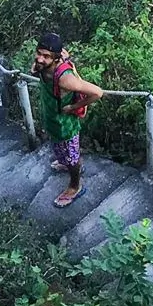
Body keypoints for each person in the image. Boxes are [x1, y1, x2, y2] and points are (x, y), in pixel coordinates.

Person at [33, 31, 104, 208]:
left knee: (73, 159)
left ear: (56, 59)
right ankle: (66, 162)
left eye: (46, 56)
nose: (40, 59)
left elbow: (98, 92)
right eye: (39, 53)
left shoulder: (65, 80)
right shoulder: (42, 66)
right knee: (61, 150)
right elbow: (39, 66)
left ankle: (75, 186)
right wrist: (36, 68)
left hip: (65, 126)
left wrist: (72, 107)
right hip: (52, 121)